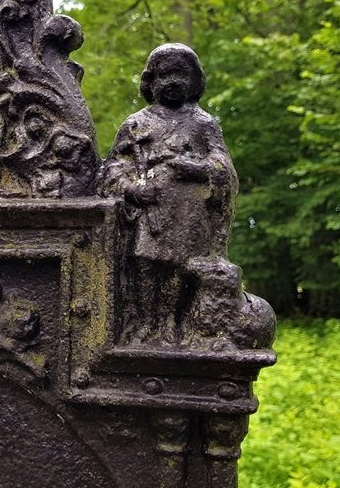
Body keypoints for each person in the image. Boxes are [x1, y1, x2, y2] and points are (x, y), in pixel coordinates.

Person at [97, 43, 237, 342]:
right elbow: (114, 168)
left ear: (194, 81)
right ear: (151, 81)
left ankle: (172, 322)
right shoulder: (136, 124)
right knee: (145, 263)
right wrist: (132, 189)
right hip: (149, 210)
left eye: (181, 75)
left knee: (178, 267)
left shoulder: (203, 124)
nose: (173, 82)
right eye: (165, 75)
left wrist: (195, 168)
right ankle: (145, 322)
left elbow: (222, 166)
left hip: (187, 211)